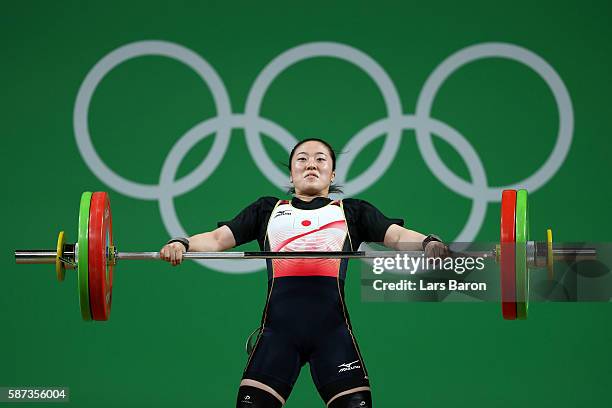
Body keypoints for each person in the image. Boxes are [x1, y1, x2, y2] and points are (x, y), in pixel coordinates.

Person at [160, 138, 448, 407]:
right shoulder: (266, 210)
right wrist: (181, 243)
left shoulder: (352, 212)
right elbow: (215, 240)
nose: (311, 164)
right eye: (302, 159)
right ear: (291, 175)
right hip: (278, 336)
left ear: (332, 174)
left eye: (321, 159)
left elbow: (397, 237)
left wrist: (428, 242)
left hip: (332, 335)